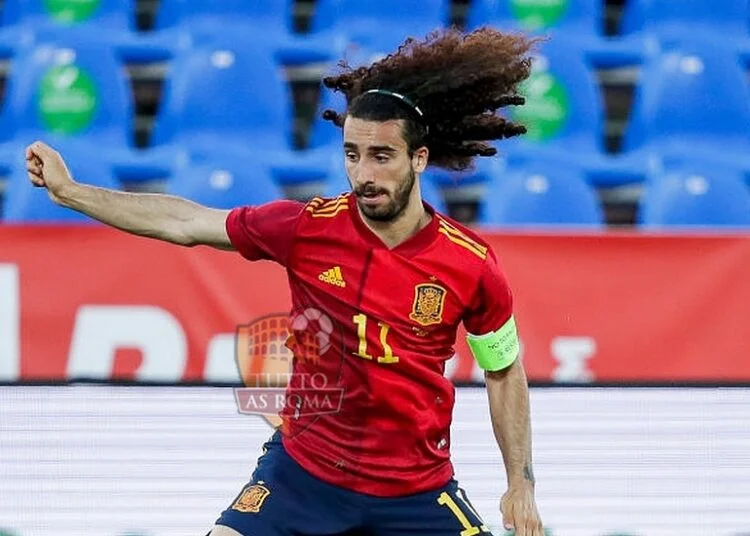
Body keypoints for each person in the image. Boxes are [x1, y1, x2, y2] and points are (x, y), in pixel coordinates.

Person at [25, 27, 544, 536]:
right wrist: (72, 193)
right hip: (303, 477)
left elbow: (503, 370)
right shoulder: (307, 228)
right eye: (351, 154)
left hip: (414, 492)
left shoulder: (470, 264)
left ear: (419, 158)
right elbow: (184, 221)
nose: (363, 173)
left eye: (381, 157)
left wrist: (520, 484)